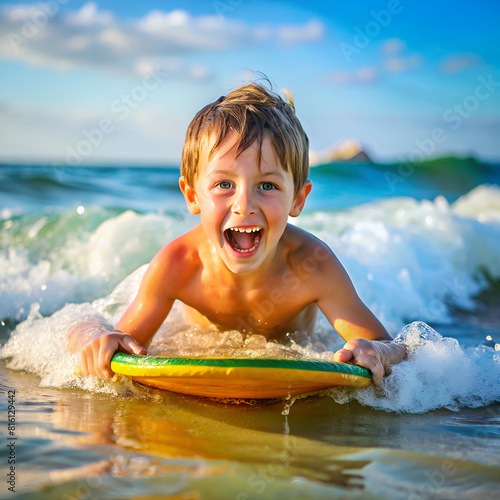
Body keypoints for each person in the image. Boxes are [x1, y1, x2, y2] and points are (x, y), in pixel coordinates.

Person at [67, 82, 406, 386]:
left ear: (298, 199)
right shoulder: (178, 264)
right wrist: (98, 341)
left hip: (293, 352)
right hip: (196, 346)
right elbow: (123, 347)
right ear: (192, 196)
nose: (244, 205)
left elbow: (395, 349)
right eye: (224, 184)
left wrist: (378, 352)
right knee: (89, 331)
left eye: (267, 185)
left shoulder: (312, 265)